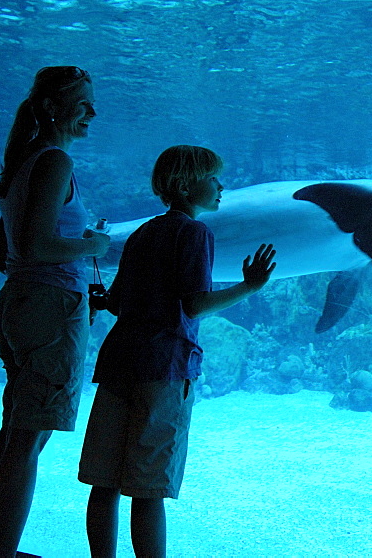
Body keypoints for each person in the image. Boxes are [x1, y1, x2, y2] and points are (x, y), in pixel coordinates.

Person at [78, 145, 276, 558]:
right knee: (148, 485)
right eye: (214, 178)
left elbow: (116, 302)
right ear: (186, 185)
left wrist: (100, 297)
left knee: (106, 481)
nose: (222, 186)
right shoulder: (195, 232)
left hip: (118, 363)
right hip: (165, 367)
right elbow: (194, 304)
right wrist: (249, 286)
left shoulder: (142, 234)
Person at [0, 66, 111, 558]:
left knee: (14, 436)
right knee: (26, 443)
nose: (93, 113)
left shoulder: (20, 162)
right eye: (83, 104)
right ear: (53, 108)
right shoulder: (54, 159)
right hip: (51, 307)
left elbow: (5, 253)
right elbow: (38, 244)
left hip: (21, 301)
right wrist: (91, 245)